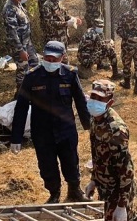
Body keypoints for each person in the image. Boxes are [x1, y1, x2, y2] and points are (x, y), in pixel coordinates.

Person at [10, 41, 91, 203]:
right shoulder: (32, 76)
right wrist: (16, 138)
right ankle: (54, 193)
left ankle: (74, 191)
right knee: (47, 165)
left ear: (62, 58)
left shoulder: (70, 74)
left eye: (54, 60)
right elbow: (21, 108)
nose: (50, 62)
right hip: (42, 132)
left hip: (65, 129)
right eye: (47, 58)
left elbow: (80, 102)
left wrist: (89, 127)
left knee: (70, 160)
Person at [84, 80, 135, 221]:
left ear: (110, 102)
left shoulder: (116, 131)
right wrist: (94, 180)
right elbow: (97, 155)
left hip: (118, 192)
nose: (95, 101)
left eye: (100, 99)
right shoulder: (96, 120)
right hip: (105, 186)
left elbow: (126, 170)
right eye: (93, 97)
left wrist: (121, 206)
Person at [2, 0, 39, 93]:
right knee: (23, 69)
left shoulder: (18, 4)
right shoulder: (9, 9)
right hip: (19, 45)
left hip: (27, 42)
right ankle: (20, 94)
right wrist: (21, 50)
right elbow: (12, 32)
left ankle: (33, 90)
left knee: (34, 64)